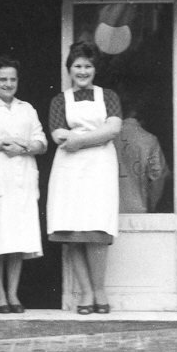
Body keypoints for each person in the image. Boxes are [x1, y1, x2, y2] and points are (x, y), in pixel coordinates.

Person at [46, 41, 122, 315]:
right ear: (69, 69)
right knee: (73, 231)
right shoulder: (59, 101)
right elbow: (58, 135)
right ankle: (86, 294)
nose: (82, 71)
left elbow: (113, 129)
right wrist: (91, 137)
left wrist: (79, 140)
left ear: (95, 69)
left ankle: (100, 290)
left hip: (100, 168)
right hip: (69, 170)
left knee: (97, 230)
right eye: (77, 66)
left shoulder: (109, 96)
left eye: (87, 66)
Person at [0, 56, 47, 314]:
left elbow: (41, 141)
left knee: (18, 241)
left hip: (22, 180)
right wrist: (4, 143)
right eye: (2, 79)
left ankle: (13, 294)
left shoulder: (27, 108)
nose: (8, 83)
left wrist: (24, 147)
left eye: (12, 79)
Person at [115, 95, 171, 214]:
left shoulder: (106, 138)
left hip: (107, 212)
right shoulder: (149, 140)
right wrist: (151, 205)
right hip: (138, 211)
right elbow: (159, 177)